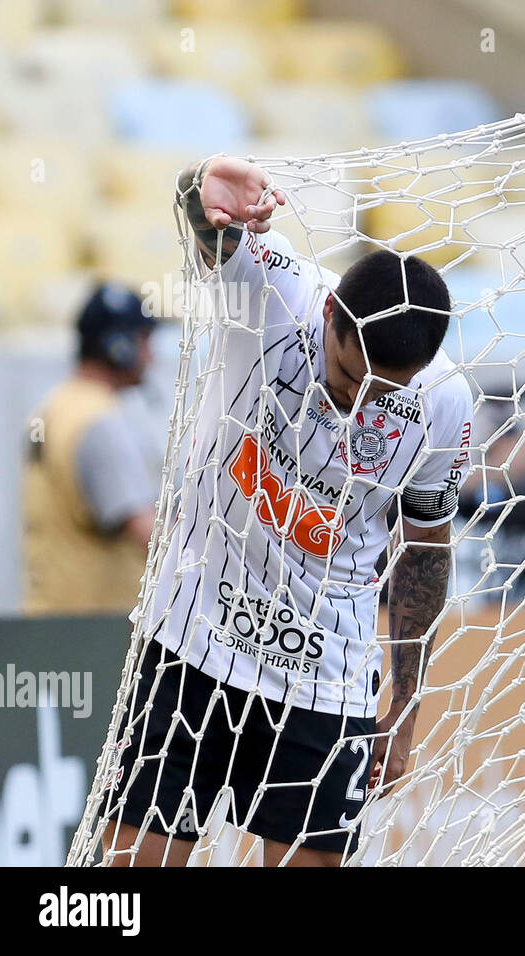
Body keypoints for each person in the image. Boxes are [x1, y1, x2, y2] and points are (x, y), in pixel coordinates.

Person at [103, 156, 474, 867]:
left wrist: (405, 708)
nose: (357, 406)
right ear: (331, 312)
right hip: (195, 640)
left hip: (323, 676)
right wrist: (198, 185)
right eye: (347, 379)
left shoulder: (445, 404)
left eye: (383, 396)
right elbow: (204, 219)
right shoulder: (274, 290)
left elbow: (425, 548)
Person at [22, 284, 159, 616]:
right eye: (143, 341)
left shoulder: (55, 405)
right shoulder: (99, 421)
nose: (150, 356)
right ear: (119, 346)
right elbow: (152, 539)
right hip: (97, 636)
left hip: (53, 622)